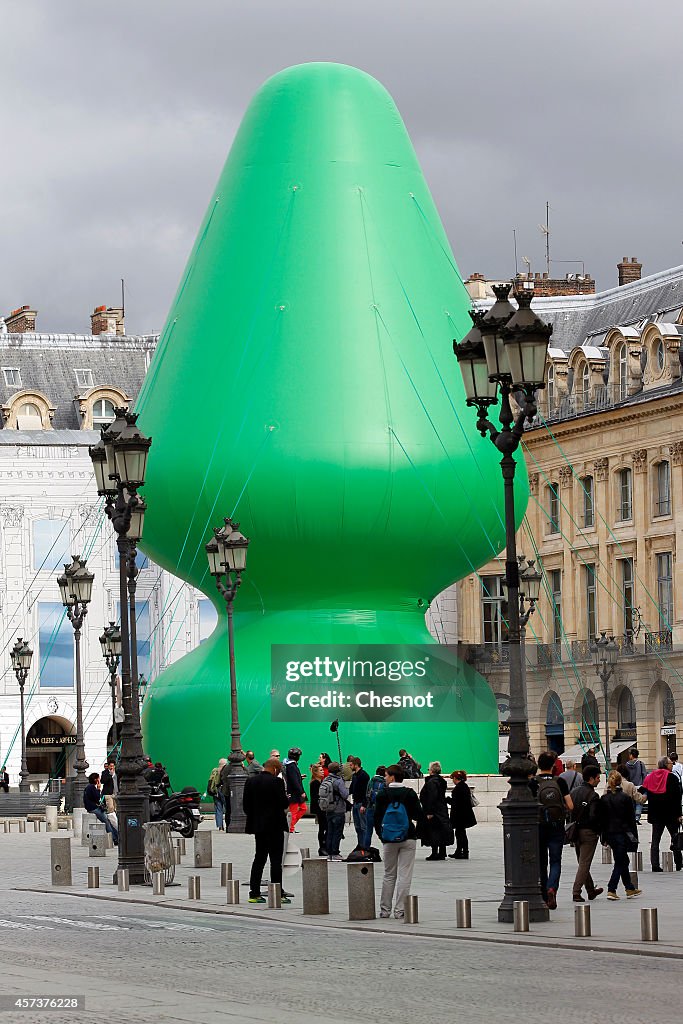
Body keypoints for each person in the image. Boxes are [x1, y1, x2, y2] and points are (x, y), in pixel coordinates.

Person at [374, 763, 427, 919]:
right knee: (405, 875)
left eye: (386, 775)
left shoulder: (382, 794)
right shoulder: (409, 793)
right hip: (408, 837)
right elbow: (419, 815)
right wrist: (415, 832)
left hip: (389, 839)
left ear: (392, 776)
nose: (385, 778)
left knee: (389, 874)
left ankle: (385, 910)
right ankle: (400, 910)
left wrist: (381, 835)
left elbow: (376, 818)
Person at [243, 758, 291, 904]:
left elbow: (246, 806)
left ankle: (254, 893)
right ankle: (278, 893)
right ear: (275, 769)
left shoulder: (250, 781)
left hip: (259, 827)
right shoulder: (277, 782)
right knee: (275, 861)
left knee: (259, 858)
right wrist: (287, 799)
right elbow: (283, 803)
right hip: (275, 826)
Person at [532, 750, 573, 910]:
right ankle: (552, 888)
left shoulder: (533, 782)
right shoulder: (560, 782)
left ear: (538, 765)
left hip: (539, 825)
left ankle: (543, 895)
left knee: (541, 862)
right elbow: (570, 806)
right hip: (556, 826)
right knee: (555, 861)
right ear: (553, 766)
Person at [600, 770, 641, 899]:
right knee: (620, 861)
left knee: (623, 860)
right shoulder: (625, 798)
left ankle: (629, 888)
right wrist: (634, 837)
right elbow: (630, 820)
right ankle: (611, 889)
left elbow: (603, 820)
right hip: (622, 833)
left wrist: (603, 837)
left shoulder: (604, 799)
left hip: (610, 834)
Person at [641, 756, 683, 871]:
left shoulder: (650, 777)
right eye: (670, 763)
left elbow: (642, 790)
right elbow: (677, 798)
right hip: (671, 814)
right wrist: (679, 814)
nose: (672, 765)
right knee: (675, 838)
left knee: (655, 840)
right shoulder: (673, 778)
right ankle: (678, 863)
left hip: (656, 814)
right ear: (665, 765)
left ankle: (655, 865)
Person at [570, 764, 604, 902]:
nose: (599, 780)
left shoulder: (574, 791)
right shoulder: (593, 795)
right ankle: (576, 892)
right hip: (588, 832)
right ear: (591, 778)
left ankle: (590, 890)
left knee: (582, 861)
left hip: (575, 831)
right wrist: (598, 831)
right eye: (597, 778)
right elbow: (594, 817)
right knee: (585, 863)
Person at [419, 761, 453, 860]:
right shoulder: (441, 781)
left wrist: (429, 812)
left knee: (434, 831)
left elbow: (431, 797)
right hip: (441, 809)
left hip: (434, 811)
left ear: (432, 771)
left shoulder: (432, 782)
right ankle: (442, 852)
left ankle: (435, 853)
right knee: (441, 830)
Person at [320, 761, 349, 861]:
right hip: (338, 809)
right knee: (337, 832)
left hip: (328, 809)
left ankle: (329, 854)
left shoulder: (325, 780)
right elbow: (345, 794)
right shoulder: (339, 781)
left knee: (330, 832)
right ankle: (335, 853)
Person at [83, 772, 118, 845]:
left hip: (92, 807)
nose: (99, 779)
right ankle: (114, 838)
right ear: (95, 779)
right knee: (106, 821)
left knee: (108, 820)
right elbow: (96, 797)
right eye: (98, 778)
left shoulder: (88, 787)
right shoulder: (91, 787)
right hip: (93, 808)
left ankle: (116, 836)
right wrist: (98, 789)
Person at [448, 770, 477, 859]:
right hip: (463, 814)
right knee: (461, 833)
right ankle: (461, 851)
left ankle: (463, 852)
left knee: (460, 834)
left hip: (460, 815)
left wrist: (448, 800)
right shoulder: (464, 786)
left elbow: (456, 803)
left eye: (453, 778)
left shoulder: (459, 788)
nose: (452, 780)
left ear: (456, 778)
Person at [282, 747, 307, 832]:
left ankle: (290, 826)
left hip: (295, 792)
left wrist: (299, 777)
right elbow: (294, 780)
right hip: (294, 793)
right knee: (294, 811)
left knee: (303, 808)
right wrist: (301, 792)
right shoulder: (291, 766)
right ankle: (290, 827)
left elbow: (293, 778)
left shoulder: (290, 765)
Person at [363, 766, 386, 848]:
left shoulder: (371, 782)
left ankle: (366, 849)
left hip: (370, 808)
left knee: (368, 831)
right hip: (380, 810)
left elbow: (367, 795)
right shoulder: (385, 783)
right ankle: (387, 847)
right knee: (382, 831)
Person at [349, 757, 370, 846]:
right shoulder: (354, 775)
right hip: (355, 803)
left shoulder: (364, 776)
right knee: (357, 827)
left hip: (361, 803)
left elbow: (367, 792)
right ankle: (360, 844)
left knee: (363, 826)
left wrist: (364, 805)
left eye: (351, 765)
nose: (350, 767)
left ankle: (364, 845)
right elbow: (351, 789)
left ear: (356, 765)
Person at [309, 764, 327, 856]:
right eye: (321, 770)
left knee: (323, 826)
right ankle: (322, 846)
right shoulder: (315, 783)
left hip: (321, 806)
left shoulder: (320, 781)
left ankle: (324, 845)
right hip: (319, 807)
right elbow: (316, 797)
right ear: (316, 773)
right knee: (322, 827)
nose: (323, 772)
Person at [624, 748, 647, 822]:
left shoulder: (626, 764)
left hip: (630, 786)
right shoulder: (640, 764)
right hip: (639, 786)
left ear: (631, 755)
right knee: (639, 802)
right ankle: (637, 817)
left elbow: (625, 776)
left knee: (631, 802)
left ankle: (632, 816)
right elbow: (644, 775)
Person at [207, 758, 227, 830]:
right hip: (223, 790)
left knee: (218, 809)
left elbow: (210, 781)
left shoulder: (214, 770)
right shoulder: (225, 770)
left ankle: (220, 826)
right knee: (227, 807)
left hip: (215, 791)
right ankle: (228, 823)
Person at [219, 759, 232, 831]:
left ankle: (225, 826)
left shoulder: (224, 768)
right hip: (229, 791)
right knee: (229, 809)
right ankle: (228, 825)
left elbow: (221, 778)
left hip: (224, 791)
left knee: (226, 809)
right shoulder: (232, 767)